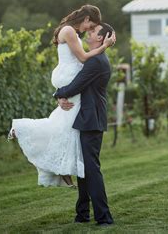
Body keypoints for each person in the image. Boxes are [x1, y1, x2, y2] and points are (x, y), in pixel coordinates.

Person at [8, 5, 115, 188]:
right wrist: (104, 46)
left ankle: (64, 169)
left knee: (64, 124)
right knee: (63, 124)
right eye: (91, 26)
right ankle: (22, 128)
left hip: (69, 77)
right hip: (69, 76)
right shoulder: (69, 31)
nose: (90, 30)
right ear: (87, 19)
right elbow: (82, 58)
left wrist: (60, 95)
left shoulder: (70, 31)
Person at [54, 22, 115, 226]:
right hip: (90, 118)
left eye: (93, 32)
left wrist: (57, 94)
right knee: (84, 167)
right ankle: (82, 214)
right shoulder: (97, 58)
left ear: (100, 38)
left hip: (91, 120)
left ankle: (104, 217)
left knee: (91, 168)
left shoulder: (96, 61)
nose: (88, 33)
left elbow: (76, 85)